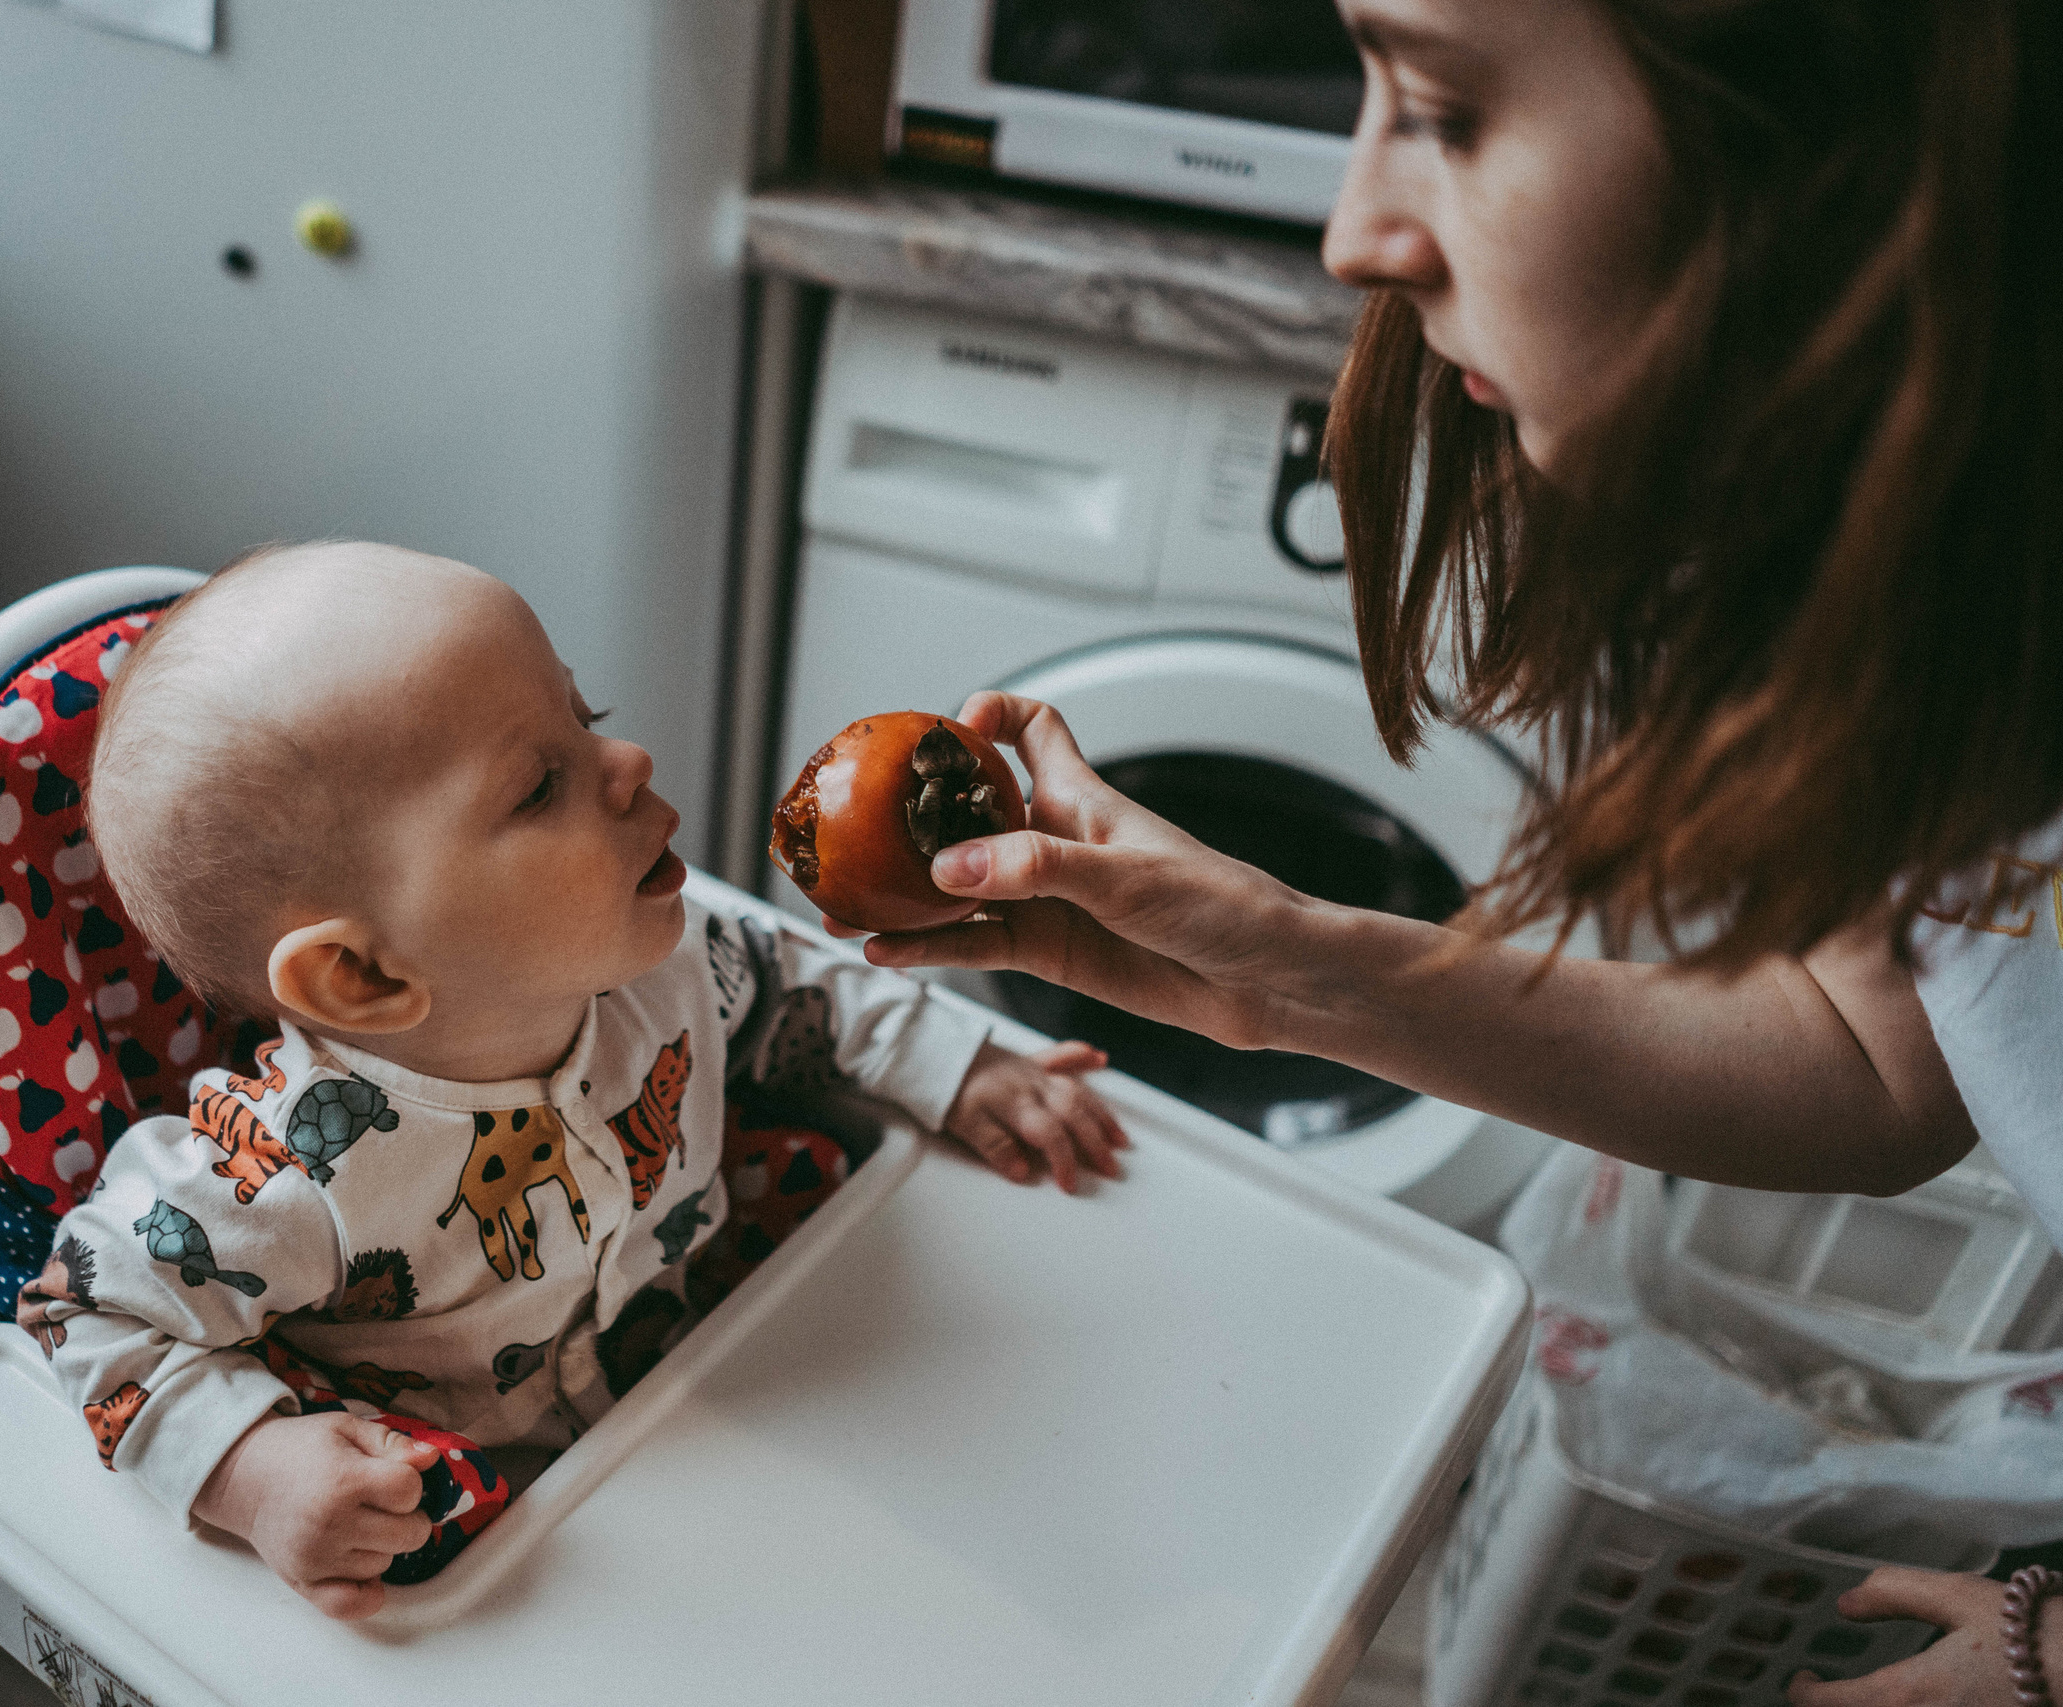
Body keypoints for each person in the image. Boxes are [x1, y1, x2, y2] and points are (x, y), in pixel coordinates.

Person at [836, 2, 2062, 1701]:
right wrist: (1286, 969)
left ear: (1833, 128)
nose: (1354, 233)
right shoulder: (1957, 603)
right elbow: (1877, 1058)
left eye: (1445, 110)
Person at [13, 541, 1125, 1621]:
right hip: (523, 1545)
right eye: (541, 783)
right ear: (359, 972)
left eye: (581, 717)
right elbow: (84, 1312)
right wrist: (248, 1468)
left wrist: (956, 1066)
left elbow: (796, 992)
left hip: (724, 1404)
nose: (629, 758)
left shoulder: (668, 965)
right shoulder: (291, 1174)